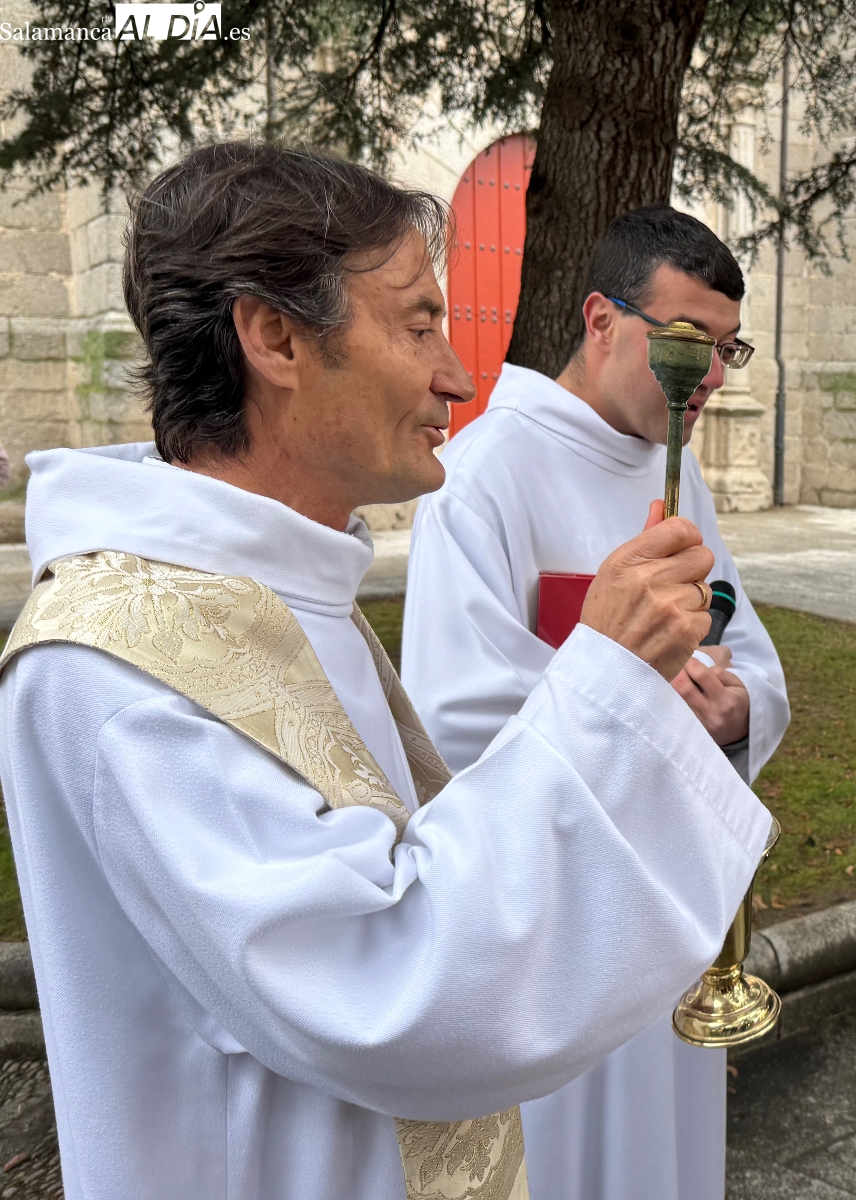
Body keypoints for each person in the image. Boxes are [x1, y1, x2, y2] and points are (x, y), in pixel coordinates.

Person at [0, 143, 772, 1200]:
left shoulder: (278, 590)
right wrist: (605, 682)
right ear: (273, 336)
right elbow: (390, 989)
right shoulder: (119, 660)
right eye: (417, 323)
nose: (458, 374)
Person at [402, 205, 790, 1200]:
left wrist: (737, 704)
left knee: (672, 1158)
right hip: (565, 922)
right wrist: (643, 701)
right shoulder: (484, 478)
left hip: (675, 914)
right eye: (684, 343)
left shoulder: (677, 473)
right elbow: (453, 717)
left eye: (725, 349)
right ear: (600, 319)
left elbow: (742, 647)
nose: (706, 376)